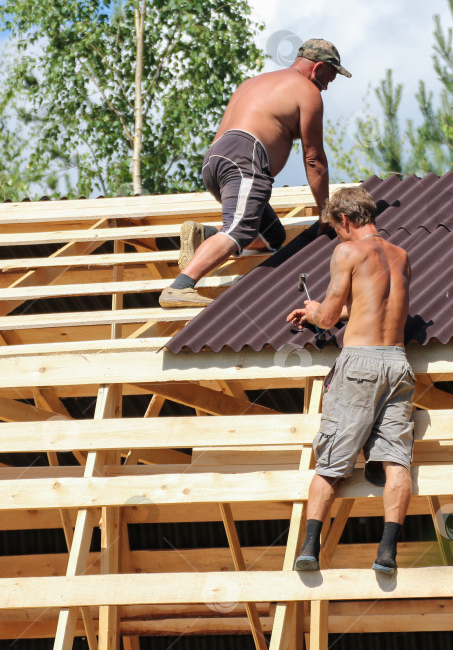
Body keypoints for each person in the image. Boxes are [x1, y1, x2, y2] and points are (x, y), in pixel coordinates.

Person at [159, 39, 351, 308]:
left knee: (273, 236)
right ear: (318, 67)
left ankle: (203, 236)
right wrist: (324, 212)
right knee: (238, 230)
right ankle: (181, 286)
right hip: (244, 160)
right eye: (330, 77)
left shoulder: (258, 81)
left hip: (215, 159)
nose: (328, 86)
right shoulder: (307, 91)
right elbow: (314, 159)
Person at [285, 187, 414, 575]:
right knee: (396, 460)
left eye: (335, 229)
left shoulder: (347, 252)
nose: (336, 237)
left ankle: (309, 547)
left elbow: (327, 318)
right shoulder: (401, 256)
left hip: (359, 364)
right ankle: (387, 552)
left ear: (344, 220)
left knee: (330, 460)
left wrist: (314, 311)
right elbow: (373, 307)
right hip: (398, 362)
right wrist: (338, 315)